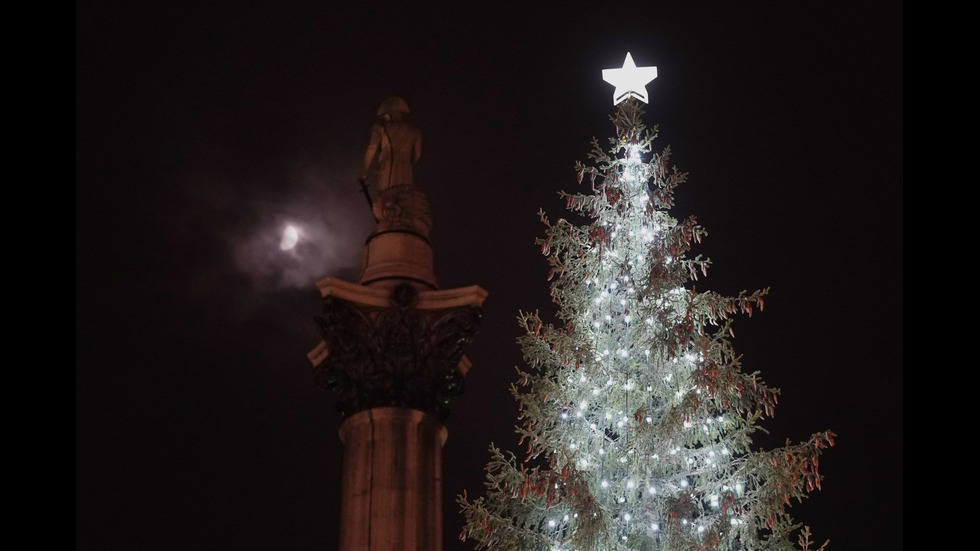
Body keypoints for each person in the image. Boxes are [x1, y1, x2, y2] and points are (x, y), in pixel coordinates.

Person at [359, 96, 422, 192]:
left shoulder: (380, 127)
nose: (385, 117)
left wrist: (364, 171)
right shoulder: (415, 132)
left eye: (385, 115)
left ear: (390, 113)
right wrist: (406, 162)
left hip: (387, 169)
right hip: (406, 171)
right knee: (404, 200)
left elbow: (372, 147)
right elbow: (417, 155)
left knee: (386, 200)